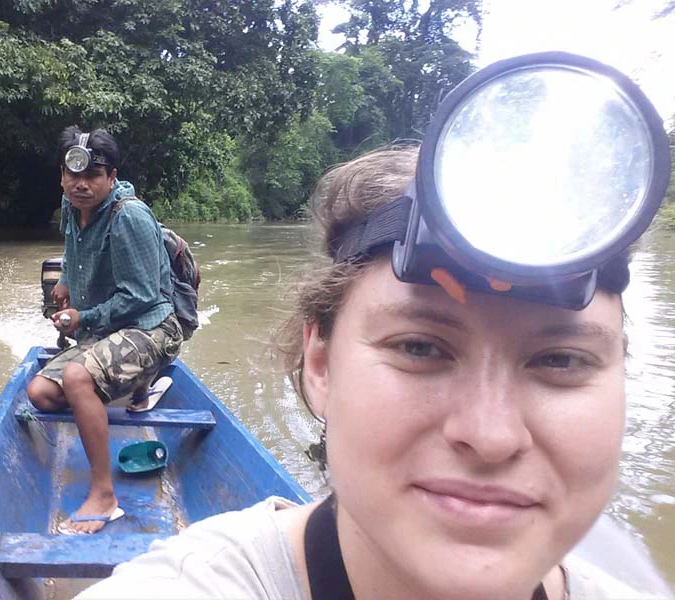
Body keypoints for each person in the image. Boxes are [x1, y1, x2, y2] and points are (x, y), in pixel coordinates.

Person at [76, 58, 670, 597]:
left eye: (560, 360)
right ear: (320, 364)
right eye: (419, 347)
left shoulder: (128, 218)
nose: (491, 437)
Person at [27, 126, 183, 534]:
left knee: (78, 379)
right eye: (72, 175)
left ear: (111, 177)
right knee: (41, 394)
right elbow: (72, 248)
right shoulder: (70, 204)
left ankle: (104, 495)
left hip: (151, 328)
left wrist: (83, 318)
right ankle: (120, 386)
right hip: (106, 331)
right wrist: (64, 281)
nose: (80, 185)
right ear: (62, 176)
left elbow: (144, 296)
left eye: (92, 176)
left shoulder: (128, 217)